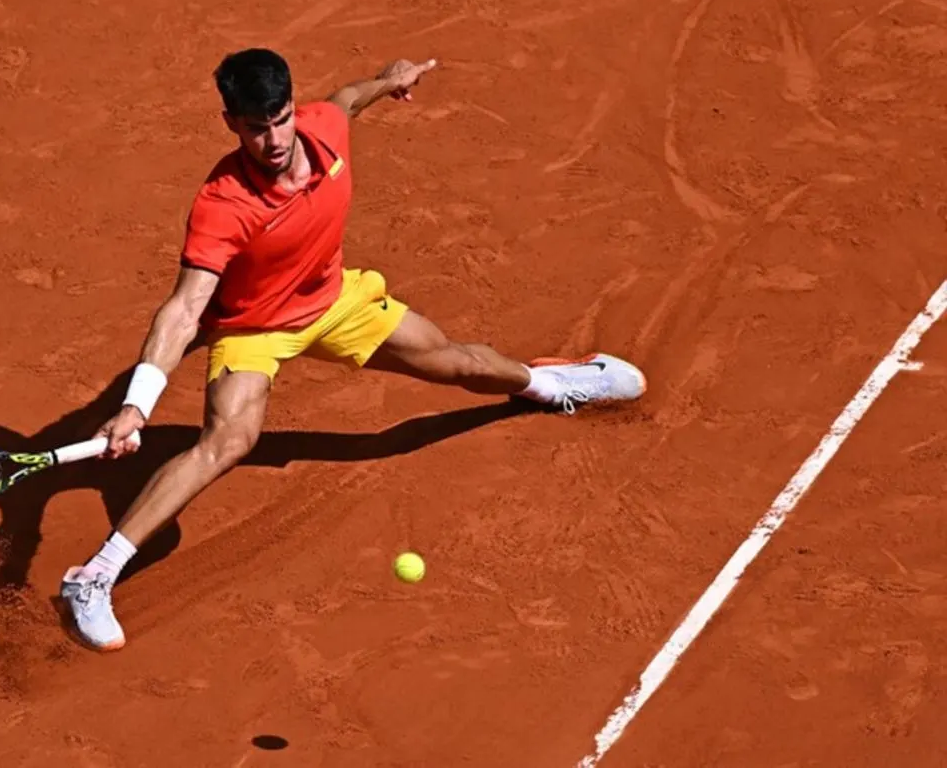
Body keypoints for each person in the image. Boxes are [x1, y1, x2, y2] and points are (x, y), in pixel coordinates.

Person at [60, 49, 647, 650]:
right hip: (255, 327)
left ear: (294, 107)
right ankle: (93, 576)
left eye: (281, 119)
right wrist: (136, 405)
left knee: (458, 362)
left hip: (334, 301)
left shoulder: (324, 128)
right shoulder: (222, 204)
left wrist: (390, 81)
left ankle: (550, 385)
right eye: (256, 128)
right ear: (231, 123)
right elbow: (185, 309)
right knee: (228, 440)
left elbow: (348, 99)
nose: (274, 140)